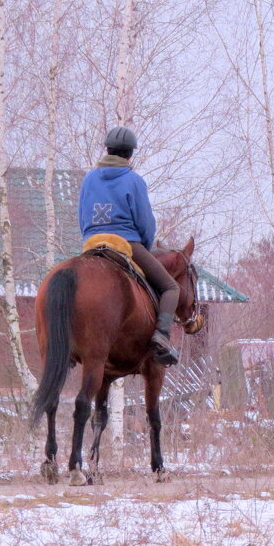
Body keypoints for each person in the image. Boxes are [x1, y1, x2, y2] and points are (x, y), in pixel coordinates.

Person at [78, 126, 180, 366]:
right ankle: (161, 338)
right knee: (171, 288)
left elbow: (82, 215)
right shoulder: (134, 180)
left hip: (92, 242)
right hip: (126, 243)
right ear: (130, 154)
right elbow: (145, 221)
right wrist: (144, 246)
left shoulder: (89, 178)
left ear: (107, 149)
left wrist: (90, 237)